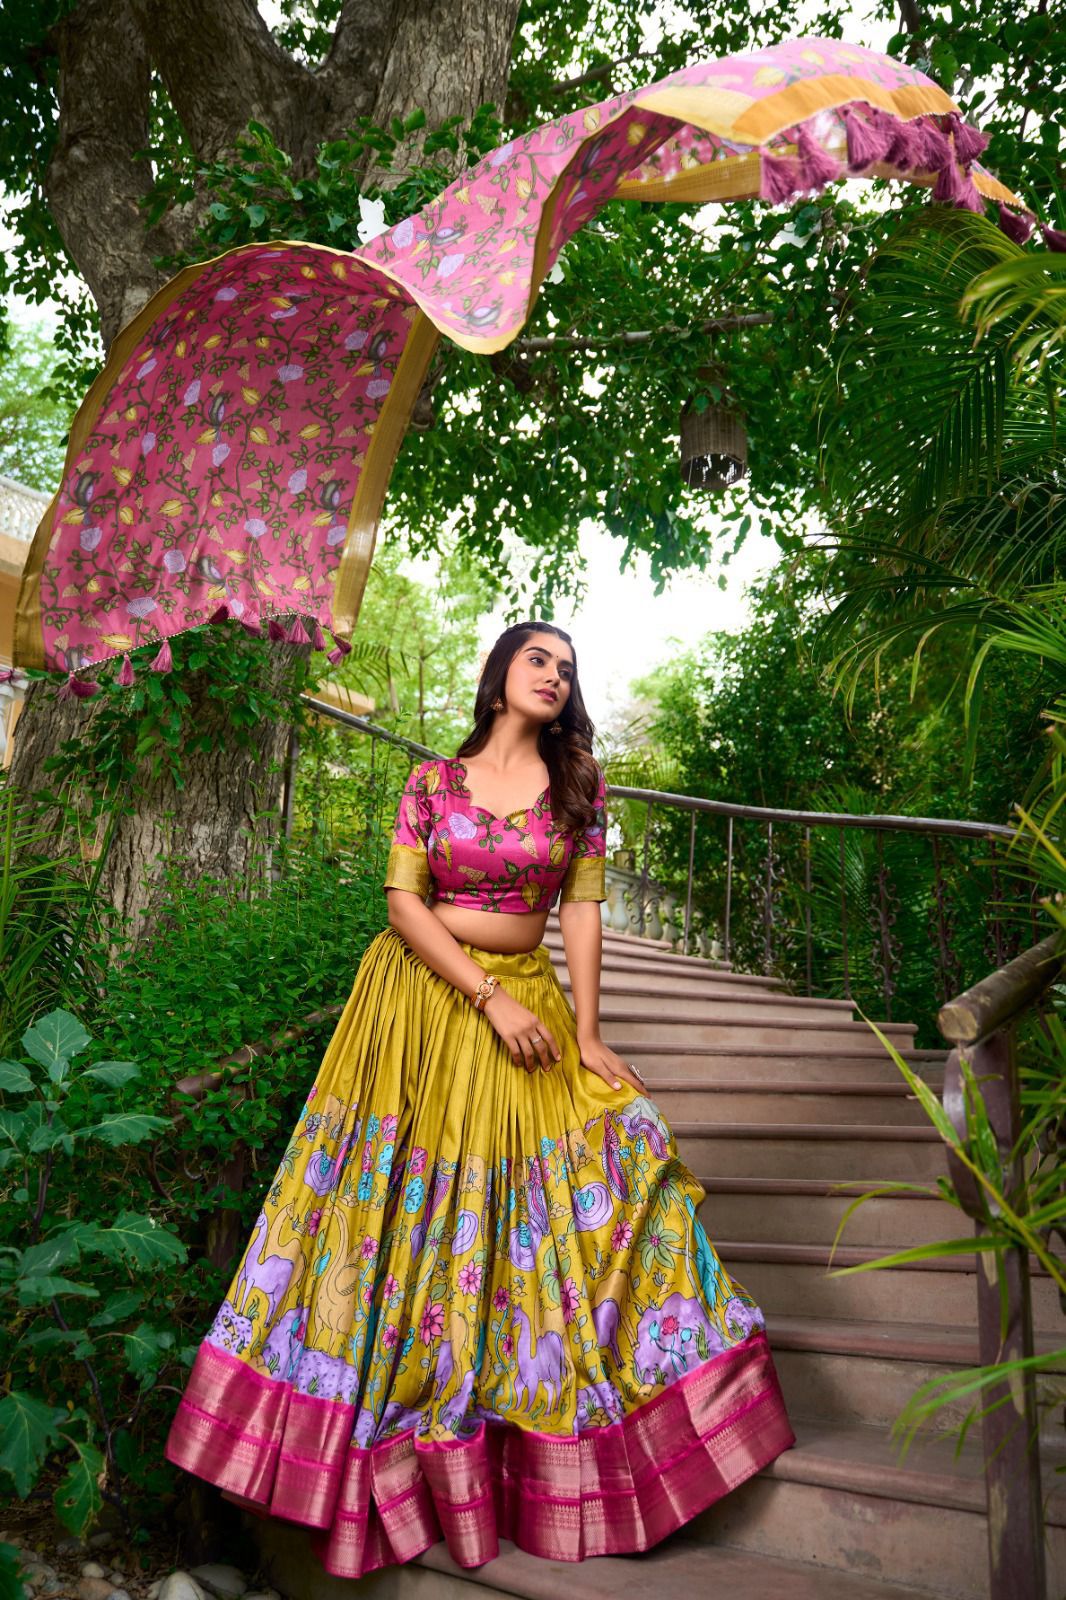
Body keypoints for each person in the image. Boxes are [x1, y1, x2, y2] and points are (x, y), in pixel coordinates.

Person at [165, 620, 794, 1577]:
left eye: (569, 668)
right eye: (539, 658)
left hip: (533, 1006)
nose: (555, 675)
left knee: (609, 1171)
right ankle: (347, 1449)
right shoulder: (431, 784)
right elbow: (403, 905)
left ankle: (605, 1434)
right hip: (417, 1009)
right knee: (387, 1213)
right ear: (499, 676)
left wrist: (585, 1031)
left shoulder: (579, 788)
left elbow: (580, 910)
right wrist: (486, 995)